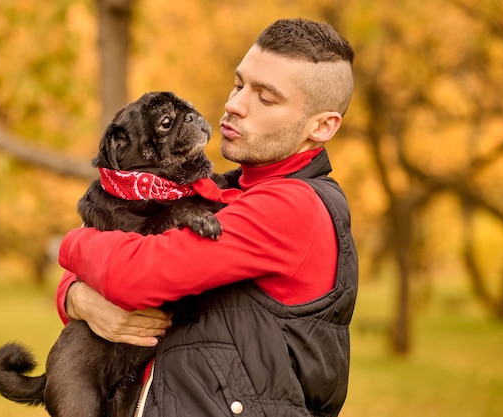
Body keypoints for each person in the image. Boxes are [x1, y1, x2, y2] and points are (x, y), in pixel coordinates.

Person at [57, 18, 358, 417]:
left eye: (265, 98)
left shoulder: (291, 208)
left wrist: (72, 244)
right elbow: (111, 263)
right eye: (239, 84)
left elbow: (134, 275)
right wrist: (77, 298)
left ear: (321, 126)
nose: (234, 104)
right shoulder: (229, 189)